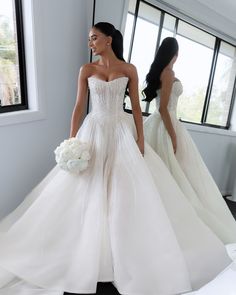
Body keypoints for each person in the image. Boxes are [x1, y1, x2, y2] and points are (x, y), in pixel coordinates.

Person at [0, 23, 234, 295]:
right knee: (88, 186)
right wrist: (72, 140)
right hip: (95, 130)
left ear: (108, 40)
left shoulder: (129, 69)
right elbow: (78, 106)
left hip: (123, 131)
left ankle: (125, 246)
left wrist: (140, 140)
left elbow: (136, 106)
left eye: (94, 38)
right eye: (90, 38)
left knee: (126, 188)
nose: (90, 43)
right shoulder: (87, 70)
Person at [143, 37, 236, 245]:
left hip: (162, 123)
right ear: (174, 55)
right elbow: (163, 108)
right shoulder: (168, 74)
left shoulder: (163, 73)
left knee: (169, 171)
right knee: (171, 171)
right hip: (166, 124)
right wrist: (173, 135)